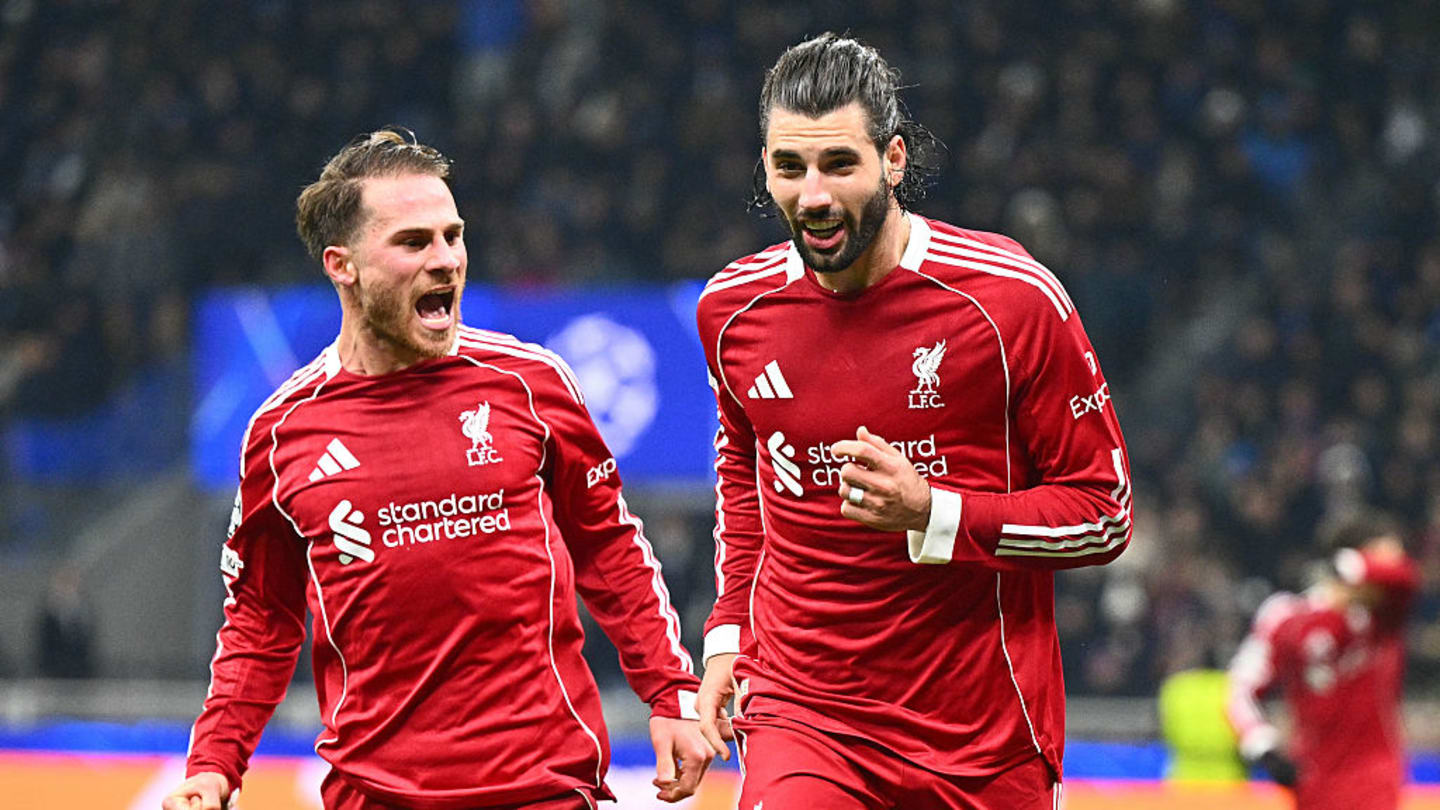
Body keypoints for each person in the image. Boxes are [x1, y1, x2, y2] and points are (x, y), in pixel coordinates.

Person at [162, 128, 712, 810]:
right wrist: (215, 762)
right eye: (414, 242)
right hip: (374, 795)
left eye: (453, 237)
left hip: (542, 787)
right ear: (342, 265)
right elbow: (261, 618)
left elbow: (609, 548)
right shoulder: (282, 434)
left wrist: (670, 691)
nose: (446, 260)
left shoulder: (529, 384)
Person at [692, 33, 1132, 810]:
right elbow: (744, 472)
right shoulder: (732, 312)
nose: (812, 196)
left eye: (839, 164)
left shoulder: (1010, 302)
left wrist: (935, 513)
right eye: (789, 167)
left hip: (981, 736)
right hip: (806, 715)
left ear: (893, 159)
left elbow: (1104, 514)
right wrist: (729, 631)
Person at [1227, 520, 1419, 810]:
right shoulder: (1287, 616)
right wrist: (1262, 745)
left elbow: (1406, 578)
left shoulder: (1384, 616)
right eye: (1385, 559)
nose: (1391, 571)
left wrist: (1349, 565)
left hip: (1375, 781)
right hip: (1313, 782)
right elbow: (1239, 690)